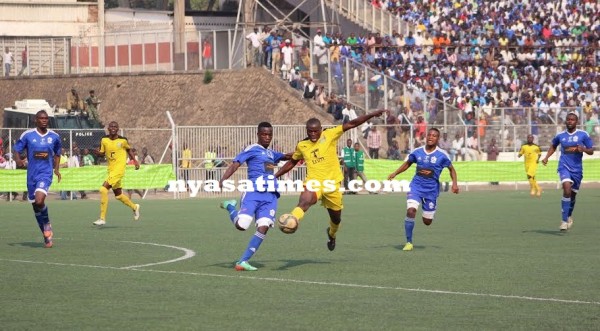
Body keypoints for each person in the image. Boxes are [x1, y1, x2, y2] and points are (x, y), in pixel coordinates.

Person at [274, 109, 387, 251]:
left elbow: (352, 123)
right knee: (304, 201)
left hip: (332, 184)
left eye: (316, 131)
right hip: (314, 182)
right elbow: (292, 161)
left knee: (336, 219)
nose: (313, 134)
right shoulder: (302, 145)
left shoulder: (330, 134)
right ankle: (292, 219)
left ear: (321, 130)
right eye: (310, 131)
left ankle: (332, 234)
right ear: (307, 131)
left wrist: (371, 114)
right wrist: (275, 176)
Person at [218, 122, 291, 271]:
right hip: (254, 192)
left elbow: (287, 156)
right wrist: (224, 178)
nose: (267, 137)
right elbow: (236, 163)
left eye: (269, 134)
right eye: (264, 134)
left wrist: (304, 150)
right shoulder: (252, 149)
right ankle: (230, 206)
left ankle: (242, 261)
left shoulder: (271, 153)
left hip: (270, 196)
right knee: (242, 226)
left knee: (263, 227)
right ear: (258, 134)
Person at [387, 128, 459, 251]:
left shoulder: (442, 155)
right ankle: (409, 242)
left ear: (438, 139)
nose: (431, 137)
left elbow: (451, 169)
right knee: (410, 211)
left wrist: (455, 184)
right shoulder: (417, 152)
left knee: (427, 221)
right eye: (429, 135)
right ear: (426, 137)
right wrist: (395, 173)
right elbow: (407, 163)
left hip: (431, 190)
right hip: (416, 186)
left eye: (434, 136)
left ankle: (429, 210)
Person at [13, 110, 62, 248]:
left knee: (40, 201)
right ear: (36, 120)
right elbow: (17, 149)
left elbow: (58, 153)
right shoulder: (28, 135)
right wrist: (18, 160)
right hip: (31, 175)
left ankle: (47, 224)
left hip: (45, 174)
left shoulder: (54, 136)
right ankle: (46, 236)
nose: (44, 120)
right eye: (41, 118)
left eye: (46, 118)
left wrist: (56, 169)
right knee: (35, 206)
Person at [541, 112, 594, 231]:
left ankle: (569, 215)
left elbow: (591, 150)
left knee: (573, 195)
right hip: (563, 165)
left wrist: (584, 149)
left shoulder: (583, 135)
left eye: (572, 120)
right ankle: (564, 221)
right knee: (566, 188)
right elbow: (554, 146)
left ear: (577, 122)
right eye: (568, 119)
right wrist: (546, 157)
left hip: (577, 169)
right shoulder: (560, 135)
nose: (570, 121)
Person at [92, 121, 141, 226]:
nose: (113, 128)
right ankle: (135, 207)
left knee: (103, 189)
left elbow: (129, 150)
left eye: (115, 126)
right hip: (111, 169)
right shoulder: (104, 140)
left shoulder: (123, 140)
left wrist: (135, 161)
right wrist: (97, 153)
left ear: (118, 129)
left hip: (119, 169)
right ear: (108, 128)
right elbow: (102, 153)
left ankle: (102, 218)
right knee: (118, 195)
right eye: (111, 126)